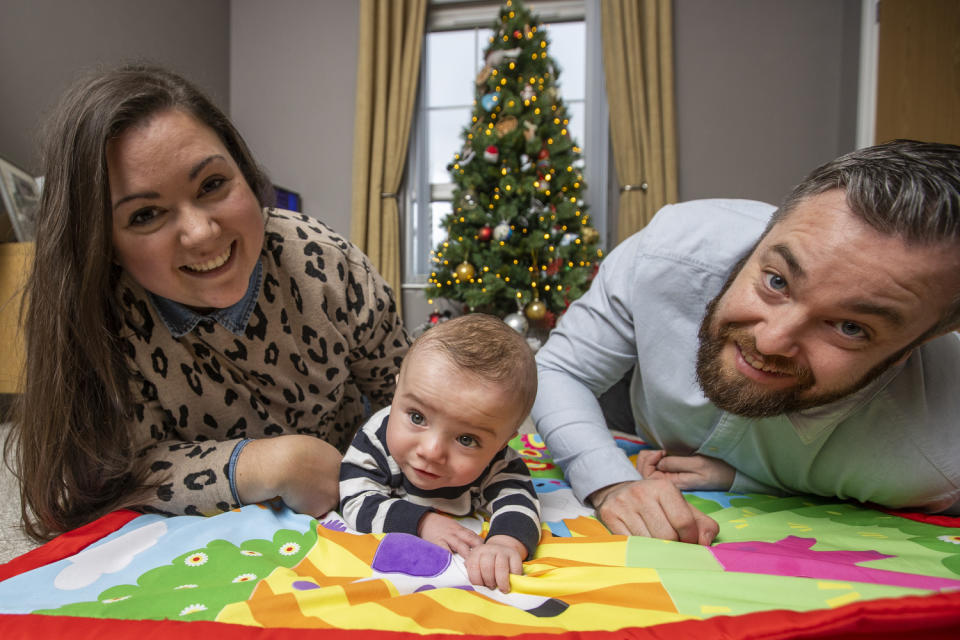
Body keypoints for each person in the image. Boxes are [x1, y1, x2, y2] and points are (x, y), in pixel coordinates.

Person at [6, 65, 410, 541]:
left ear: (245, 172)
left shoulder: (324, 261)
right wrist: (265, 464)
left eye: (213, 185)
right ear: (103, 242)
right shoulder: (94, 314)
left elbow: (408, 398)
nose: (201, 234)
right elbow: (87, 484)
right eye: (146, 214)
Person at [531, 140, 960, 545]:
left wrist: (746, 478)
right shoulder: (673, 249)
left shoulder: (941, 459)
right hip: (642, 397)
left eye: (850, 327)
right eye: (776, 281)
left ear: (924, 339)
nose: (770, 340)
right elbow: (559, 370)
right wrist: (612, 482)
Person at [339, 313, 541, 593]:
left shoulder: (498, 461)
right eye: (417, 417)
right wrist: (421, 522)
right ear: (397, 390)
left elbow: (519, 501)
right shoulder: (377, 437)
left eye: (467, 439)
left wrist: (505, 543)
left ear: (503, 442)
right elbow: (354, 499)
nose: (432, 451)